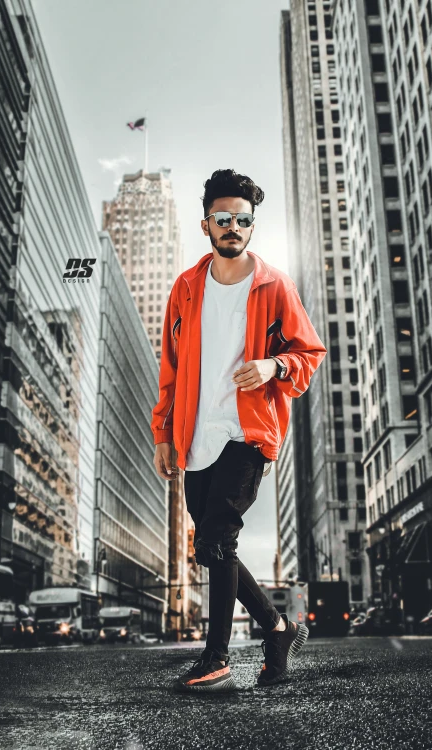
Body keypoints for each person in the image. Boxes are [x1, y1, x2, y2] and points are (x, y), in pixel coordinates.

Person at [151, 169, 327, 692]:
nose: (233, 227)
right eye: (223, 219)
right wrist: (163, 433)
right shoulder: (185, 288)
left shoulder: (275, 285)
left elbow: (309, 353)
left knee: (219, 535)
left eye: (243, 220)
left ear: (252, 225)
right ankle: (278, 628)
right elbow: (171, 368)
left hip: (247, 433)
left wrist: (274, 367)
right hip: (194, 435)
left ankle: (216, 657)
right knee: (211, 547)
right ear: (207, 224)